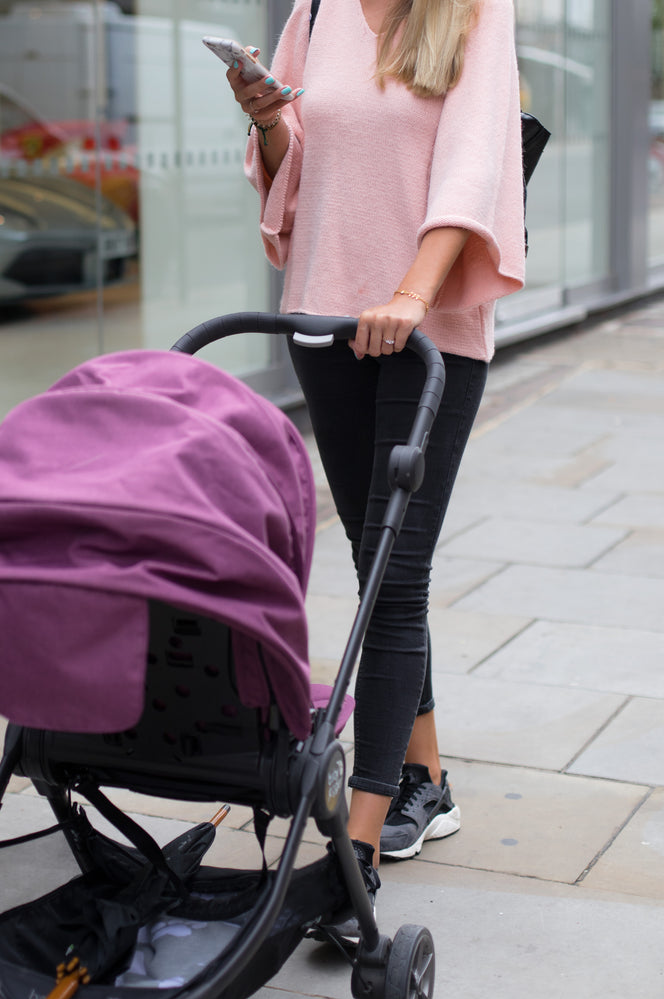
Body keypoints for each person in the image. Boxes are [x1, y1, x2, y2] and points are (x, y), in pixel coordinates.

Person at [227, 0, 526, 934]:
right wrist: (270, 122)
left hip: (424, 326)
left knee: (395, 578)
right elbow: (296, 173)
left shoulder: (475, 9)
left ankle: (356, 843)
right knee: (374, 555)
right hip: (323, 310)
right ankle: (425, 778)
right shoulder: (316, 9)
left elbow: (475, 165)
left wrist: (409, 294)